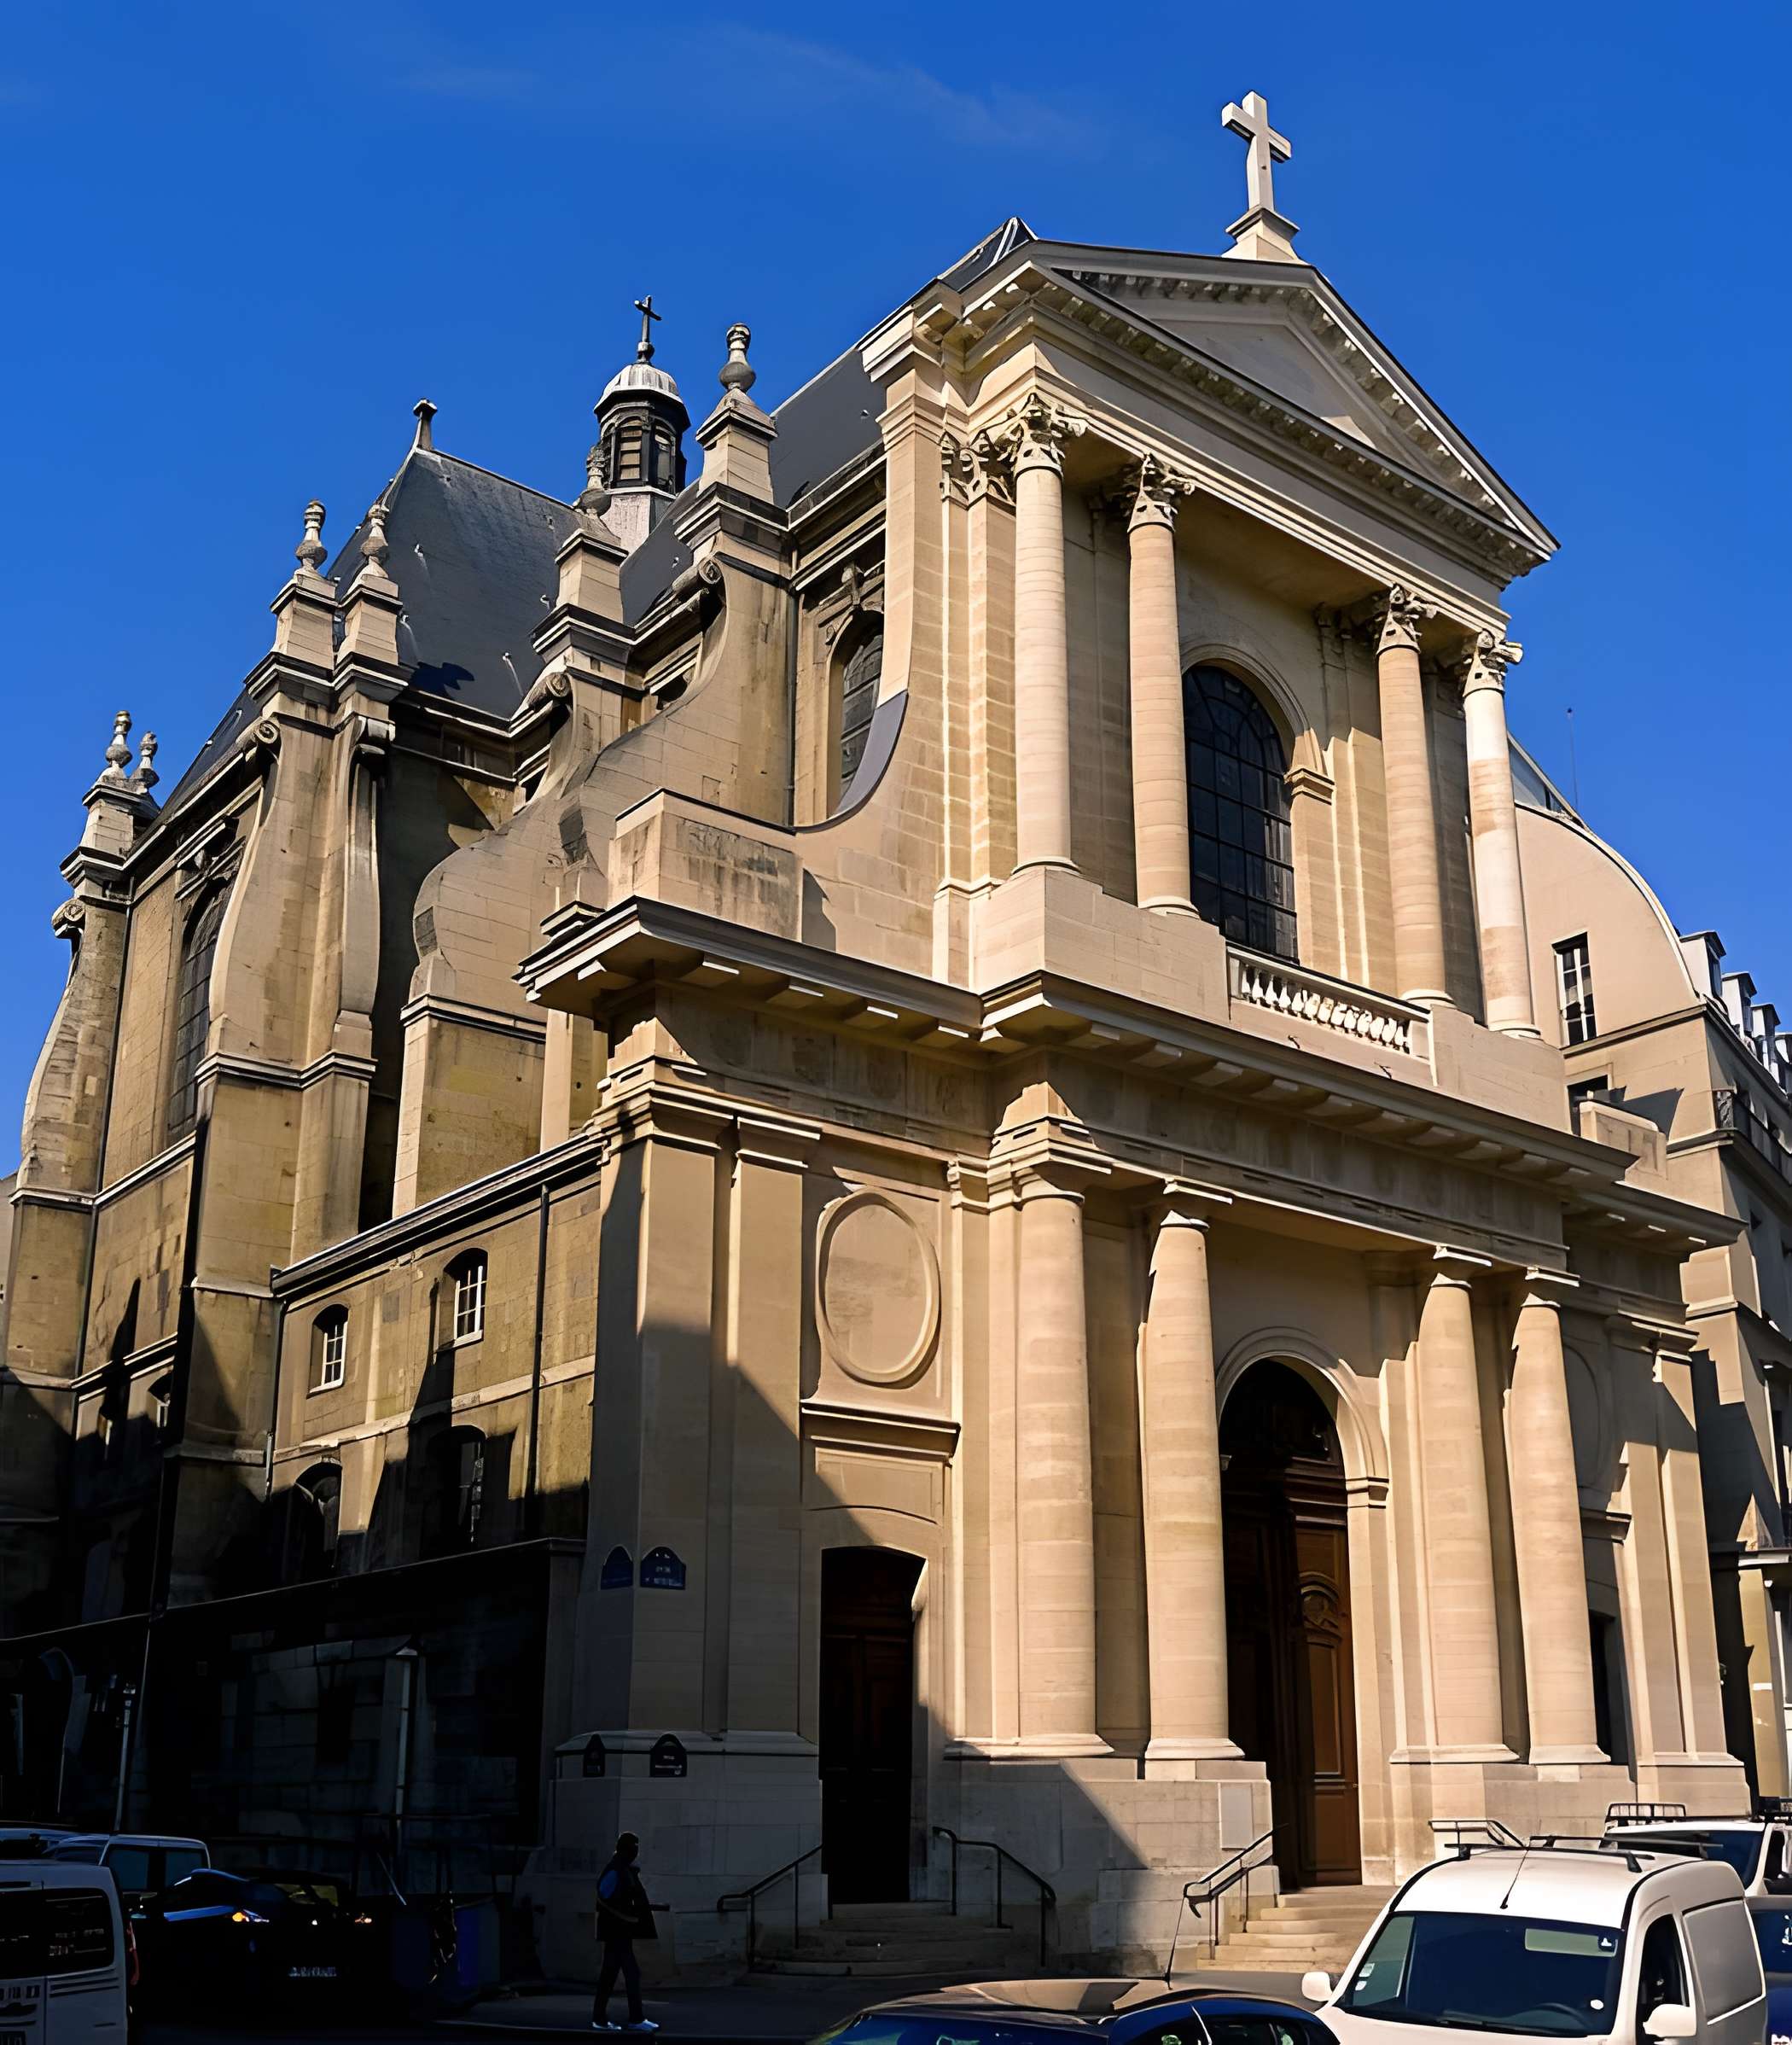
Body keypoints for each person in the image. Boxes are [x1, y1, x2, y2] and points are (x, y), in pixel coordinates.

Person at [591, 1831, 658, 2033]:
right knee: (630, 1974)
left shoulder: (622, 1869)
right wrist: (627, 1915)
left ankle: (600, 2019)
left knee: (609, 1976)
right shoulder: (617, 1870)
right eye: (633, 1847)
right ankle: (635, 2018)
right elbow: (605, 1897)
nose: (635, 1852)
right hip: (617, 1931)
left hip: (619, 1931)